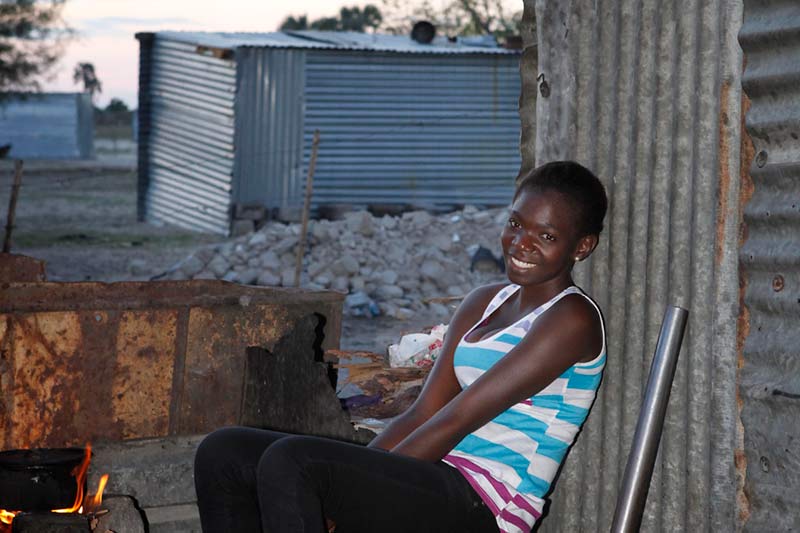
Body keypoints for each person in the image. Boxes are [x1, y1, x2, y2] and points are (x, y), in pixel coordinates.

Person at [194, 160, 609, 533]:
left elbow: (457, 420)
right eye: (516, 224)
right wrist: (355, 483)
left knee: (293, 463)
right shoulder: (484, 302)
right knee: (224, 452)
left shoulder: (571, 319)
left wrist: (347, 499)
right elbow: (425, 412)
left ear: (581, 247)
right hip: (434, 478)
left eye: (547, 235)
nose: (521, 243)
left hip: (487, 506)